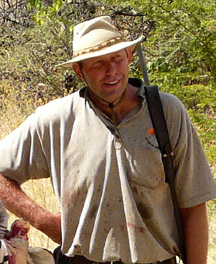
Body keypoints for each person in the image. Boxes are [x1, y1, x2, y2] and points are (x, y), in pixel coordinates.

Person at [0, 15, 215, 264]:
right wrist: (46, 222)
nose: (111, 71)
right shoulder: (57, 120)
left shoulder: (166, 112)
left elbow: (194, 205)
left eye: (117, 58)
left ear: (129, 56)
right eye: (98, 63)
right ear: (79, 70)